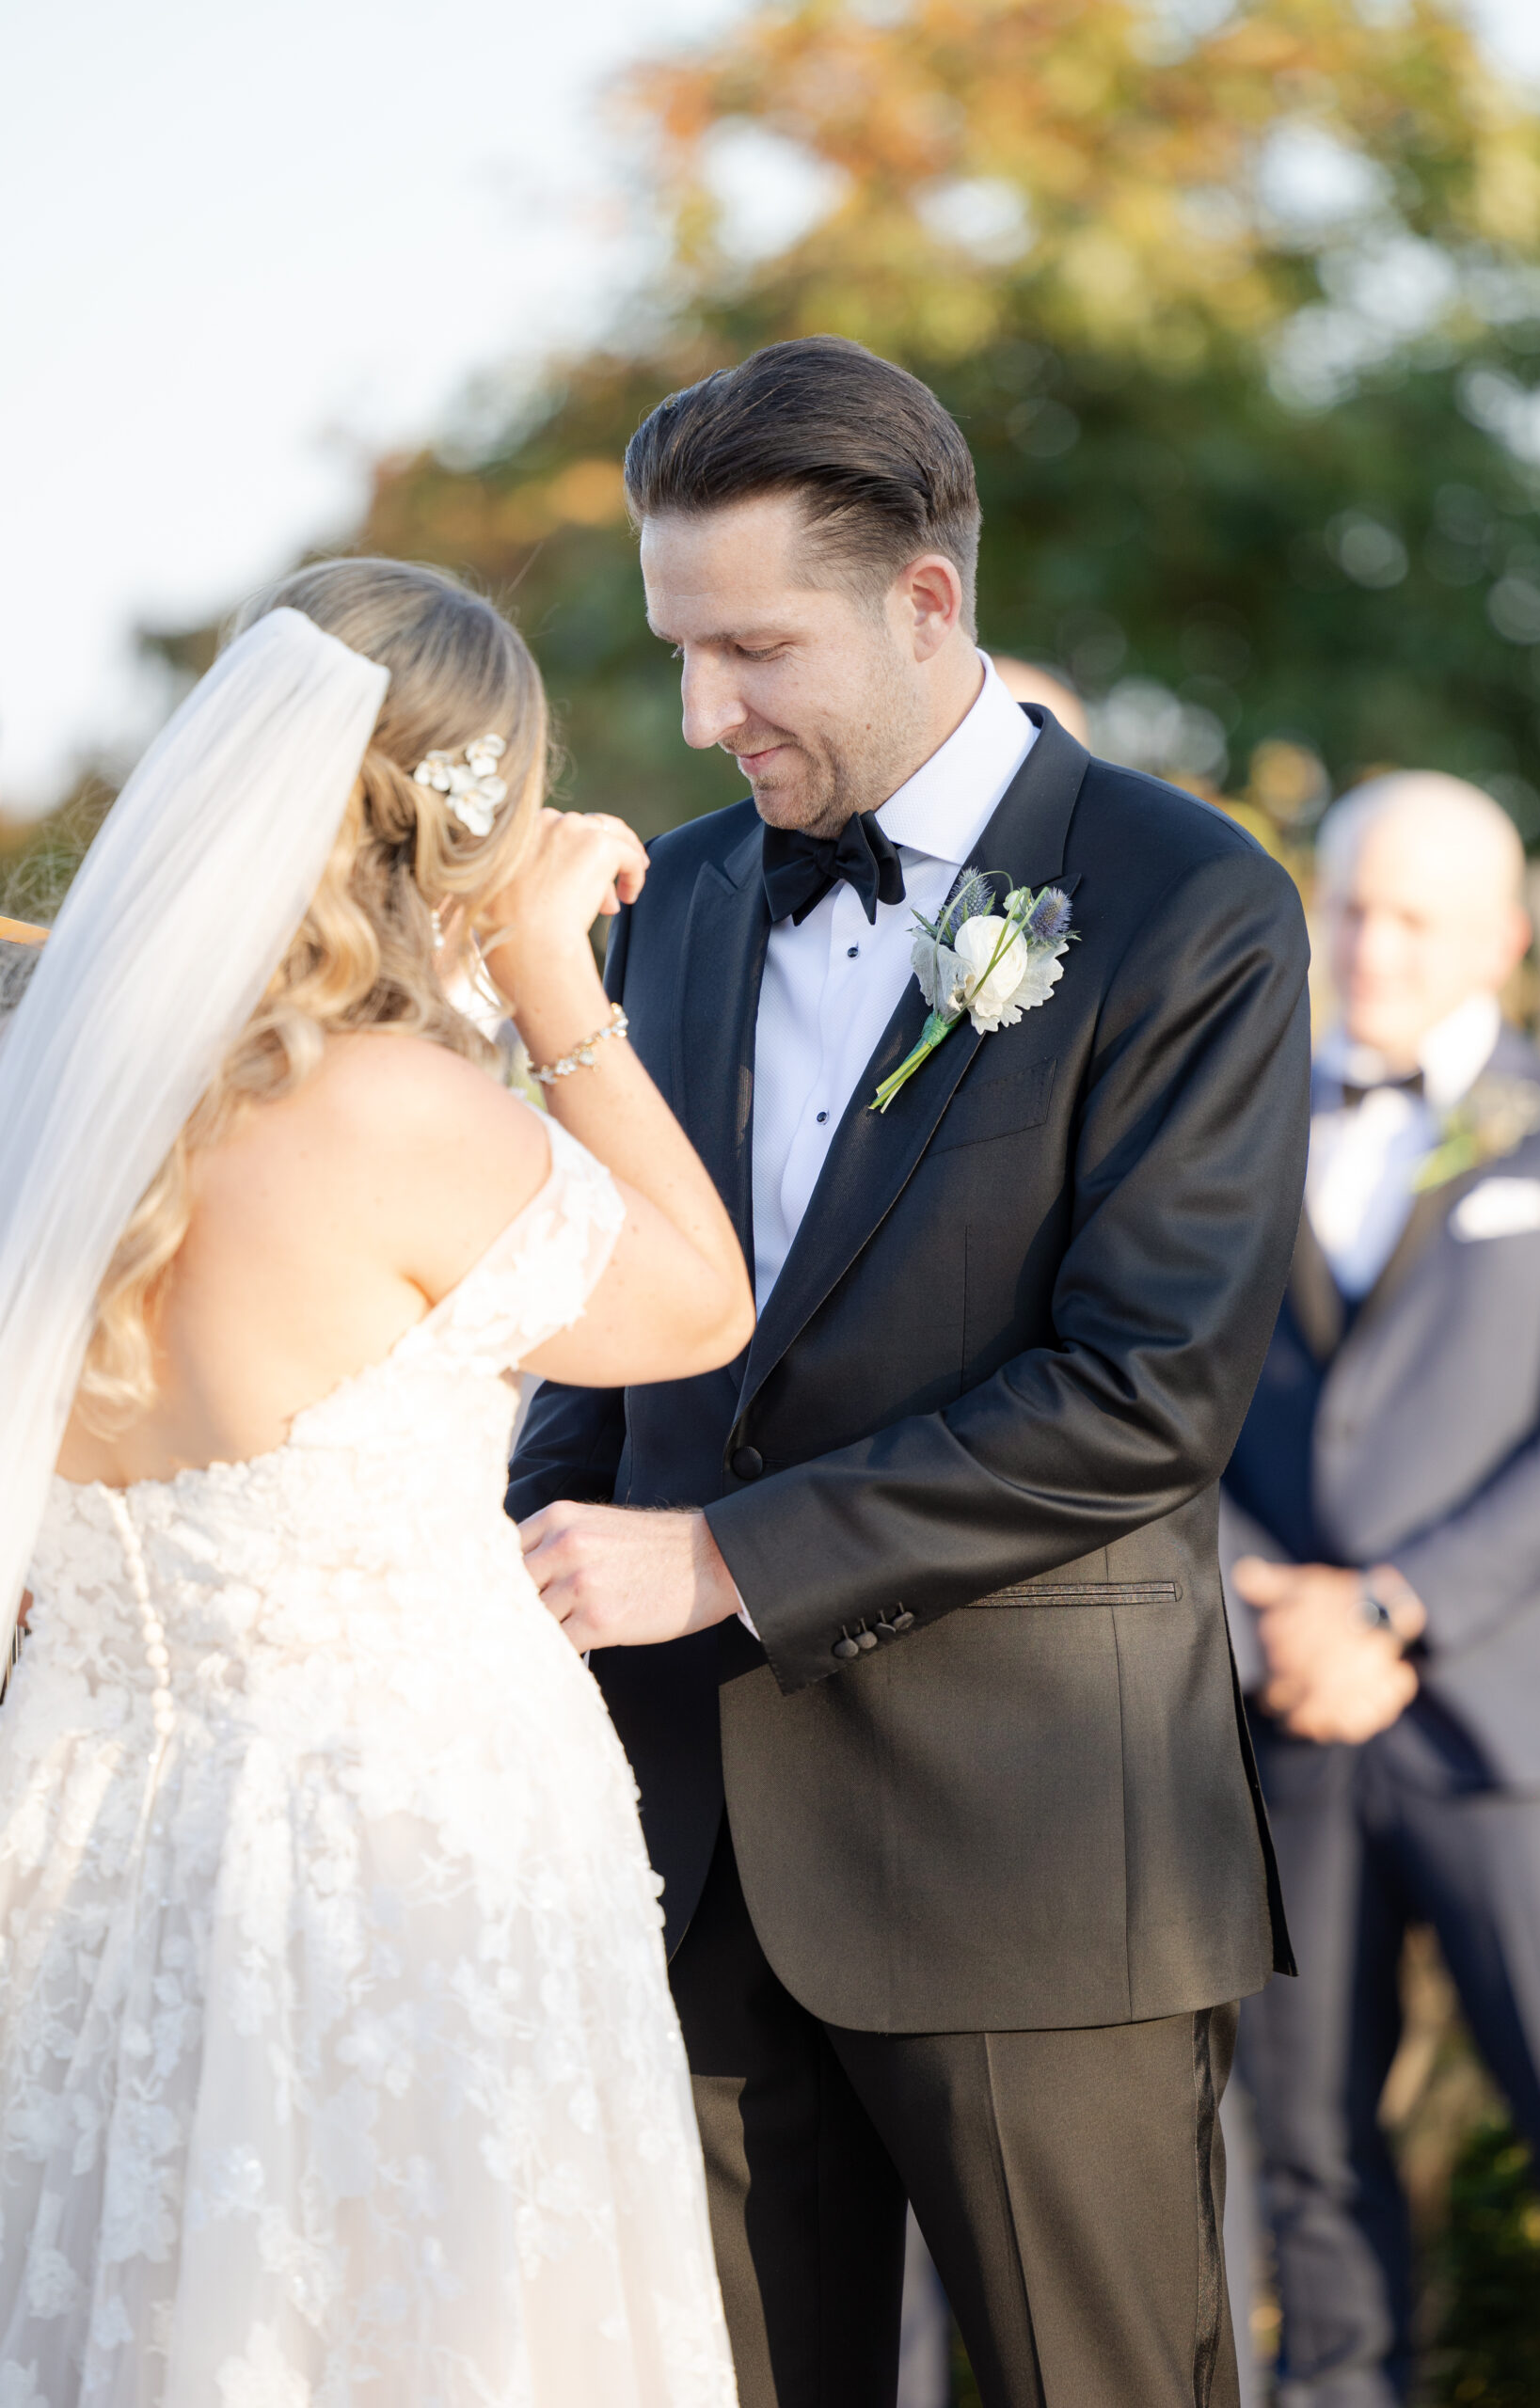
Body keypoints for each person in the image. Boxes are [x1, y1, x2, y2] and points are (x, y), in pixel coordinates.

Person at [509, 334, 1312, 2408]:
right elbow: (602, 1336)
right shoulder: (673, 903)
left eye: (753, 648)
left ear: (922, 600)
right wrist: (518, 1572)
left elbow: (1146, 1389)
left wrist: (724, 1559)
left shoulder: (1182, 896)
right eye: (679, 649)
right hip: (682, 1863)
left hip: (1032, 1862)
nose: (703, 712)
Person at [0, 562, 753, 2404]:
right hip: (387, 1840)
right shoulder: (395, 1116)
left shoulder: (59, 1082)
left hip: (88, 1814)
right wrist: (556, 978)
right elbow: (695, 1296)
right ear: (466, 821)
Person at [1223, 770, 1540, 2406]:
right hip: (1284, 1723)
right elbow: (1148, 1403)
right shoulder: (1218, 1133)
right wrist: (1263, 1601)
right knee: (1306, 2170)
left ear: (1505, 942)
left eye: (1417, 918)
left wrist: (1391, 1607)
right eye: (1354, 906)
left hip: (1510, 1733)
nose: (1372, 947)